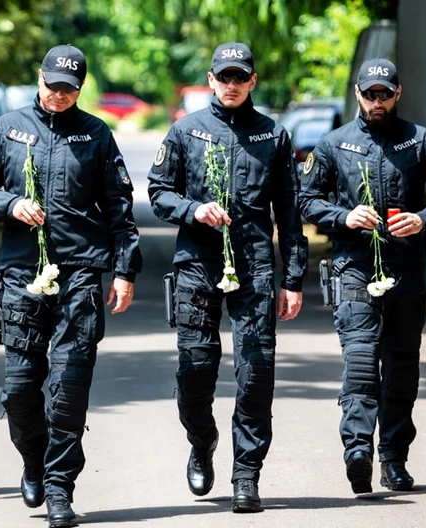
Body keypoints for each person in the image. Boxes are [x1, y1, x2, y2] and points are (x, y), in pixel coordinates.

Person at [0, 44, 142, 528]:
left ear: (79, 88)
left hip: (80, 274)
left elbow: (120, 209)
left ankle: (61, 490)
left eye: (68, 89)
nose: (58, 95)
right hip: (22, 273)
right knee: (19, 390)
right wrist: (9, 204)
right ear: (38, 79)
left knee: (66, 390)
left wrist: (125, 270)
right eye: (51, 86)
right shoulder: (7, 128)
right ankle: (33, 462)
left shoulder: (96, 134)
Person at [148, 42, 308, 513]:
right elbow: (159, 193)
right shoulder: (185, 131)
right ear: (212, 80)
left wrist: (293, 277)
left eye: (241, 77)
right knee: (195, 371)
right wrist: (194, 209)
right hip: (198, 265)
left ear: (253, 81)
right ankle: (202, 442)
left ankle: (247, 474)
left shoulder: (273, 135)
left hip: (255, 265)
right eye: (224, 77)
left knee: (256, 372)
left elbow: (290, 215)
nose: (232, 85)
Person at [299, 58, 426, 494]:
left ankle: (394, 457)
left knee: (401, 368)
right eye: (369, 93)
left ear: (398, 93)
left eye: (384, 94)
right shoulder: (335, 144)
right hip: (353, 267)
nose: (377, 101)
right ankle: (357, 449)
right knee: (360, 359)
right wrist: (344, 216)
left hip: (407, 271)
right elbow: (306, 200)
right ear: (357, 93)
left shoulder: (420, 140)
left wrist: (425, 218)